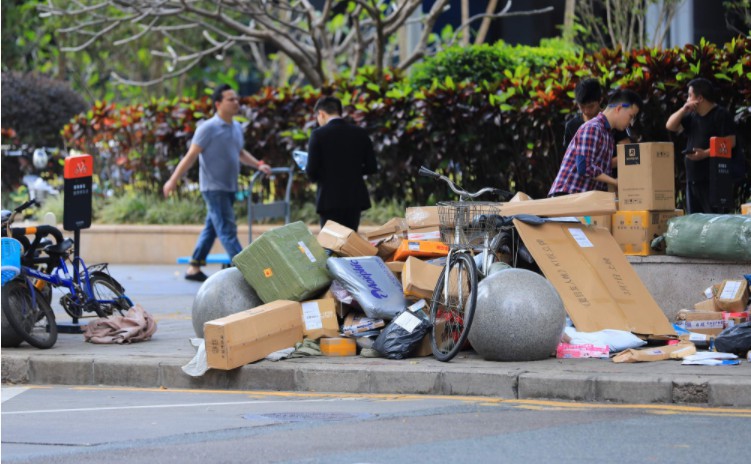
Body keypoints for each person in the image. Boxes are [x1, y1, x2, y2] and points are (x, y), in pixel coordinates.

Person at [163, 85, 272, 282]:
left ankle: (194, 267)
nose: (236, 102)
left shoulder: (237, 127)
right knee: (228, 230)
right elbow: (190, 157)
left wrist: (258, 165)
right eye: (231, 99)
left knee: (212, 227)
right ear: (218, 104)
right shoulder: (207, 128)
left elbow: (239, 153)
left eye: (237, 99)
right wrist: (172, 180)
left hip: (230, 187)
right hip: (213, 188)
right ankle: (247, 271)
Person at [549, 89, 642, 197]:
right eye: (631, 116)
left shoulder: (608, 135)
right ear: (619, 108)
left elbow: (598, 170)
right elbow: (584, 167)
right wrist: (615, 182)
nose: (631, 123)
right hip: (567, 197)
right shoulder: (593, 128)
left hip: (582, 199)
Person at [306, 96, 377, 231]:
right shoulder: (360, 133)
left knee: (330, 243)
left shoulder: (318, 135)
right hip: (354, 198)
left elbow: (311, 171)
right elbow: (371, 167)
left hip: (328, 198)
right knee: (350, 243)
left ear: (321, 114)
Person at [665, 78, 736, 213]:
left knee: (713, 221)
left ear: (700, 98)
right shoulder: (692, 116)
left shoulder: (721, 115)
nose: (687, 99)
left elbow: (730, 142)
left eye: (690, 96)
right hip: (692, 179)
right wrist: (684, 109)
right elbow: (670, 125)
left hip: (713, 180)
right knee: (695, 222)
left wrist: (705, 154)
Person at [564, 78, 632, 152]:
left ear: (600, 100)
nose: (586, 111)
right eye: (582, 107)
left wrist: (601, 162)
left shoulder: (614, 121)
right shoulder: (572, 126)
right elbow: (568, 158)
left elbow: (627, 153)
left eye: (591, 106)